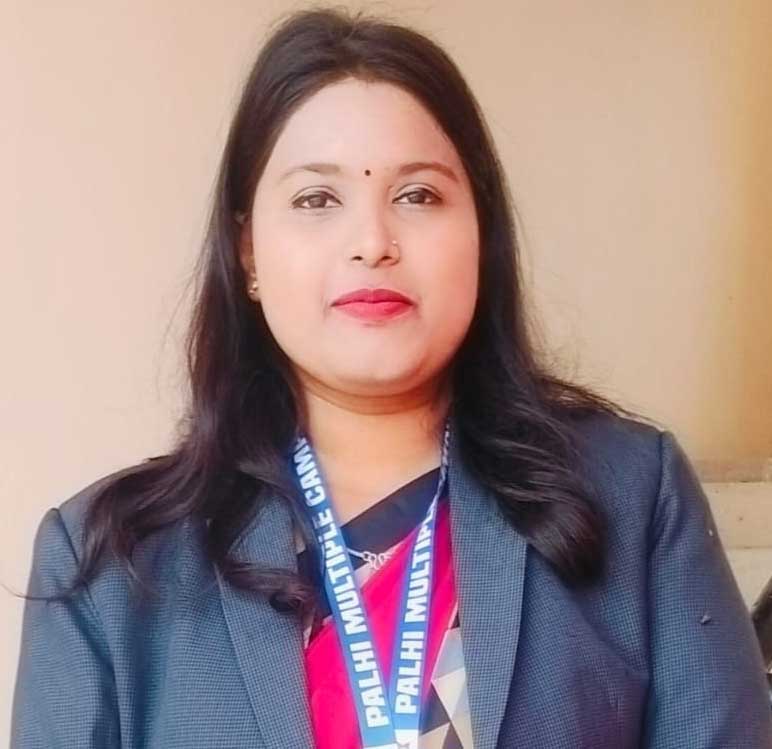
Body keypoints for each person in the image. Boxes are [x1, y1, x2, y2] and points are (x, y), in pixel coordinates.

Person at [10, 7, 772, 749]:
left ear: (482, 235)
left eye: (418, 195)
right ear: (247, 253)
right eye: (316, 198)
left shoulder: (629, 496)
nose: (372, 241)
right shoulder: (113, 561)